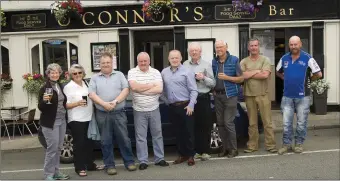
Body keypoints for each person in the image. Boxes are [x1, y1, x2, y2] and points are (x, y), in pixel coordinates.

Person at [88, 52, 137, 175]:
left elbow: (126, 90)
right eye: (103, 63)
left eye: (108, 62)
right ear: (100, 64)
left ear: (112, 63)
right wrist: (104, 104)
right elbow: (92, 94)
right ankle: (109, 165)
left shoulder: (119, 75)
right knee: (105, 141)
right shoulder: (94, 78)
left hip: (119, 112)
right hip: (102, 114)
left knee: (124, 139)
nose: (105, 64)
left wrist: (115, 101)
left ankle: (129, 162)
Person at [276, 36, 322, 155]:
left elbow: (319, 74)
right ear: (289, 45)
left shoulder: (308, 58)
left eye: (295, 44)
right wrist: (283, 77)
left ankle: (298, 144)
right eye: (291, 44)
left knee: (301, 122)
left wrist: (309, 79)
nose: (293, 47)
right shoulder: (284, 58)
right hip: (287, 96)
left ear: (300, 44)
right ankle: (286, 144)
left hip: (303, 97)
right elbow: (278, 72)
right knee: (286, 123)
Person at [127, 52, 169, 170]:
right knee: (141, 137)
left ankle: (159, 158)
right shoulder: (132, 72)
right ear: (137, 61)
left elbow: (159, 89)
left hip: (154, 108)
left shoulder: (155, 72)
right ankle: (143, 161)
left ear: (149, 61)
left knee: (157, 135)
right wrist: (151, 85)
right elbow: (134, 87)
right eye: (141, 61)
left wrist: (141, 89)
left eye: (145, 61)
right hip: (138, 110)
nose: (143, 63)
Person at [63, 64, 102, 177]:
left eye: (79, 72)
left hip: (88, 117)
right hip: (76, 119)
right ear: (71, 75)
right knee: (79, 144)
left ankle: (90, 165)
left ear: (83, 73)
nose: (77, 75)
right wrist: (77, 103)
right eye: (74, 73)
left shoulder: (86, 83)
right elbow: (65, 105)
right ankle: (79, 168)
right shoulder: (69, 87)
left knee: (89, 143)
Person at [240, 38, 277, 153]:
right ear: (248, 48)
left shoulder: (265, 60)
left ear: (258, 47)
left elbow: (265, 75)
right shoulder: (244, 61)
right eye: (251, 46)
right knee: (252, 122)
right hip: (249, 95)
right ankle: (252, 145)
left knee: (267, 122)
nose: (253, 48)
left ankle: (270, 145)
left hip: (263, 95)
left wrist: (250, 73)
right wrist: (257, 71)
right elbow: (242, 76)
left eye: (255, 45)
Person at [161, 50, 198, 166]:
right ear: (169, 59)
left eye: (177, 58)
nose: (174, 60)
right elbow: (161, 90)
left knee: (188, 132)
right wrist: (167, 102)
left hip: (186, 106)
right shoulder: (164, 72)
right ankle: (182, 155)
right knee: (177, 132)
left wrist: (191, 105)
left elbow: (194, 90)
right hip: (172, 107)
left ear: (181, 58)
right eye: (172, 58)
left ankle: (191, 155)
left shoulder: (187, 71)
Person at [183, 42, 216, 161]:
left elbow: (213, 83)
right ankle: (196, 151)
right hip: (190, 99)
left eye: (196, 50)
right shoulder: (185, 64)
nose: (194, 52)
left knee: (205, 125)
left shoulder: (206, 65)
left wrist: (203, 78)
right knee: (192, 126)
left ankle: (205, 151)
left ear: (200, 52)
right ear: (189, 52)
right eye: (192, 51)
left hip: (203, 97)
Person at [212, 40, 244, 158]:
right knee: (220, 124)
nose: (219, 49)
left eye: (221, 47)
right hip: (218, 96)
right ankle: (225, 149)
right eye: (217, 47)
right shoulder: (214, 61)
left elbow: (241, 79)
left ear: (226, 47)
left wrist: (227, 77)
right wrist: (213, 89)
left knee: (228, 123)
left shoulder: (234, 60)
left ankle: (233, 149)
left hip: (230, 95)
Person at [38, 63, 70, 180]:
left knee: (58, 148)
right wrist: (45, 101)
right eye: (52, 72)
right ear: (48, 74)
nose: (55, 74)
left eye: (57, 72)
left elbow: (63, 102)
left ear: (59, 73)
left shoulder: (59, 86)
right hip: (50, 122)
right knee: (52, 149)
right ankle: (48, 174)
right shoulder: (45, 87)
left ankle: (56, 172)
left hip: (62, 120)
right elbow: (41, 107)